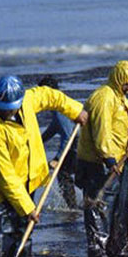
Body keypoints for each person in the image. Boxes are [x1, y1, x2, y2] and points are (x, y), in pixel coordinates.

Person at [0, 75, 87, 257]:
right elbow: (5, 177)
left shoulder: (26, 100)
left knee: (24, 237)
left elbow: (49, 95)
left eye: (13, 109)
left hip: (26, 181)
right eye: (6, 110)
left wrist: (75, 110)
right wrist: (27, 207)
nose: (10, 113)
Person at [76, 60, 128, 257]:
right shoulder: (103, 98)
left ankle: (119, 249)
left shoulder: (120, 97)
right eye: (127, 83)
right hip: (100, 163)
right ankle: (98, 253)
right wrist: (108, 158)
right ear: (118, 79)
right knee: (100, 207)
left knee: (120, 207)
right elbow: (101, 132)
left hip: (122, 161)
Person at [38, 76, 79, 209]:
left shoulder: (59, 106)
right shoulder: (59, 103)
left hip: (77, 144)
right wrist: (39, 140)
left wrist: (57, 158)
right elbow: (55, 127)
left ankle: (72, 207)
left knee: (63, 173)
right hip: (76, 141)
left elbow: (68, 136)